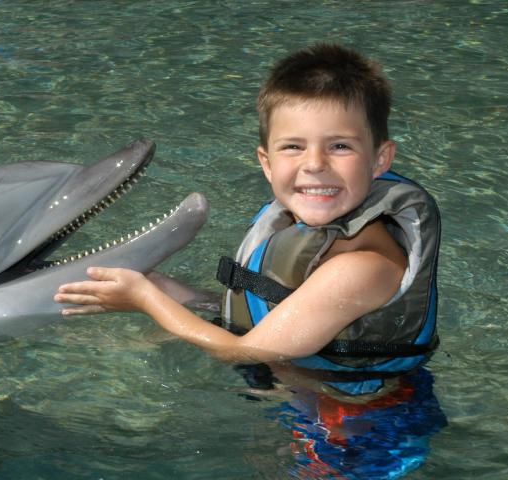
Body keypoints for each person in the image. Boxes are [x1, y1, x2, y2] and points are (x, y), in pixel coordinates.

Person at [54, 43, 440, 393]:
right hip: (296, 391)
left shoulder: (361, 268)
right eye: (293, 147)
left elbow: (242, 351)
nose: (314, 165)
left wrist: (146, 300)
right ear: (266, 163)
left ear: (380, 159)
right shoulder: (307, 227)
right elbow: (279, 310)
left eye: (339, 146)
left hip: (357, 431)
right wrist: (175, 292)